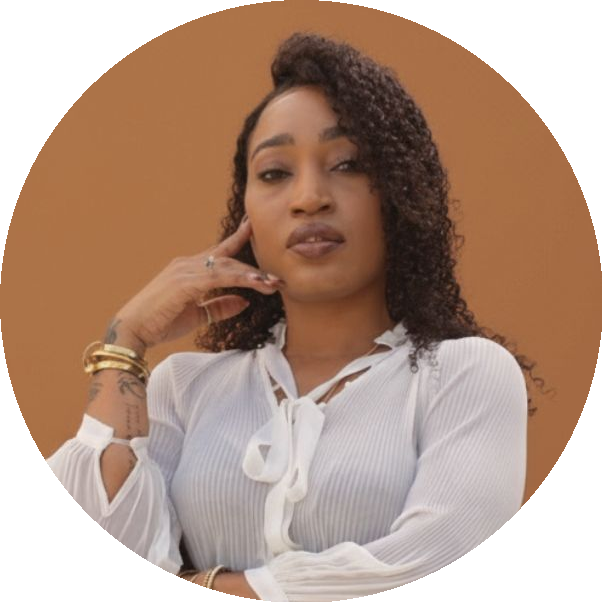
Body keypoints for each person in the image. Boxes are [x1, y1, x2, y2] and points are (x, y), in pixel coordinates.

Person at [47, 31, 543, 600]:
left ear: (402, 195)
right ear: (247, 214)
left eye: (348, 164)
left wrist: (206, 580)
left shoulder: (464, 374)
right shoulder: (184, 388)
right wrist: (127, 341)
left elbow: (432, 560)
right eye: (275, 173)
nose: (309, 197)